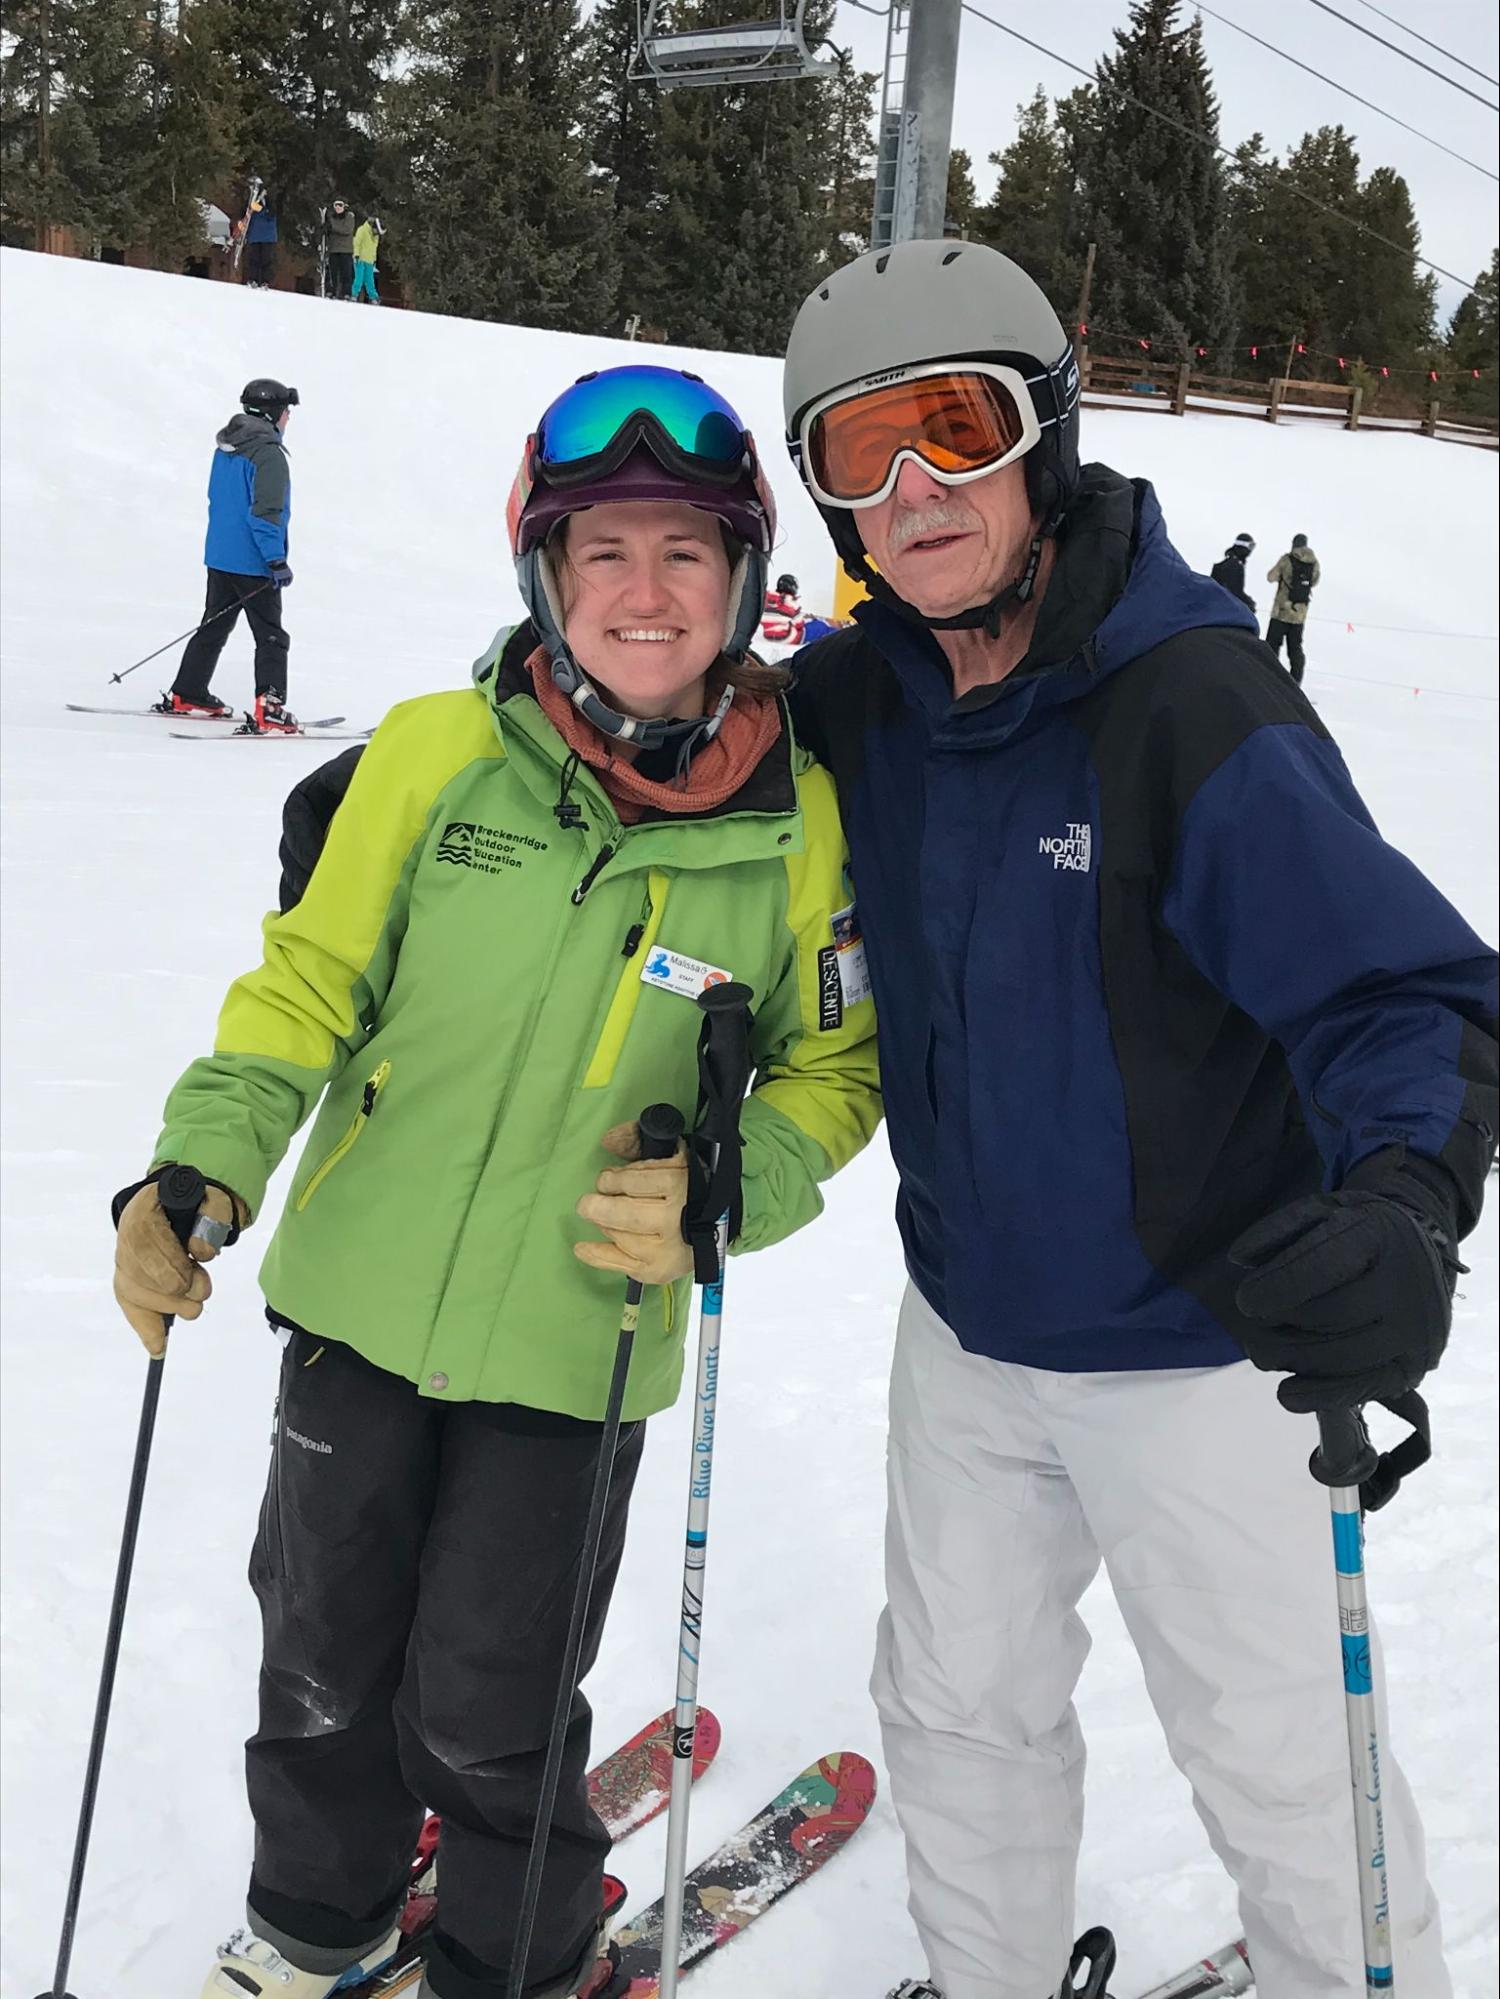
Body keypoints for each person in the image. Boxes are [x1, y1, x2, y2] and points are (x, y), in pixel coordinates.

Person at [780, 240, 1497, 1999]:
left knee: (1274, 1751)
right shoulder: (860, 698)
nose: (910, 488)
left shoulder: (1189, 707)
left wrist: (1406, 1199)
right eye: (857, 451)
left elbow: (1405, 993)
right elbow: (670, 757)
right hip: (968, 1325)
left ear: (1047, 437)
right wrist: (458, 767)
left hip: (1202, 1336)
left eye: (952, 426)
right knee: (957, 1708)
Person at [111, 362, 880, 1999]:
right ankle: (322, 1918)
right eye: (602, 549)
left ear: (745, 576)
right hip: (356, 1295)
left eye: (687, 549)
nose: (645, 590)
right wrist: (204, 1163)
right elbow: (305, 989)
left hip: (575, 1339)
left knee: (486, 1695)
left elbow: (836, 1070)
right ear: (543, 567)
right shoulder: (436, 754)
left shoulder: (796, 826)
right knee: (320, 1659)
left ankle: (520, 1956)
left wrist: (736, 1184)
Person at [163, 378, 300, 732]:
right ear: (273, 414)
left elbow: (221, 502)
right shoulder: (267, 455)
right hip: (253, 561)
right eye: (286, 412)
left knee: (214, 625)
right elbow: (264, 514)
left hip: (220, 556)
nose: (287, 419)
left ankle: (189, 691)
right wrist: (275, 560)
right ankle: (270, 707)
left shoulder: (227, 446)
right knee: (271, 636)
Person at [1266, 533, 1321, 683]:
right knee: (1295, 648)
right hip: (1299, 614)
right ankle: (1295, 682)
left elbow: (1271, 577)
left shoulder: (1286, 559)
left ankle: (1269, 678)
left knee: (1272, 646)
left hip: (1281, 611)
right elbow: (1315, 582)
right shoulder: (1314, 563)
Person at [1209, 529, 1256, 612]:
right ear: (1243, 546)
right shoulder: (1234, 565)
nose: (1250, 551)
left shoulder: (1230, 561)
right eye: (1250, 546)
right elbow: (1233, 592)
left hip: (1217, 607)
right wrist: (1248, 604)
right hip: (1223, 610)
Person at [244, 191, 279, 289]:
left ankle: (263, 281)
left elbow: (272, 212)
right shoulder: (252, 199)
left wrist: (259, 209)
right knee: (257, 259)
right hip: (258, 235)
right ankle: (255, 280)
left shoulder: (269, 201)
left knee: (264, 260)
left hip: (264, 236)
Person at [325, 197, 356, 300]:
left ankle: (346, 293)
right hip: (333, 248)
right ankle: (331, 291)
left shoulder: (349, 217)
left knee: (346, 273)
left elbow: (346, 230)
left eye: (340, 205)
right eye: (336, 205)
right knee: (332, 272)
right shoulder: (331, 217)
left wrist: (332, 227)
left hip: (345, 250)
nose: (338, 207)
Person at [352, 214, 383, 303]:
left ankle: (373, 297)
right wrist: (356, 254)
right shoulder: (362, 230)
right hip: (360, 259)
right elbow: (357, 242)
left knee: (370, 280)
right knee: (359, 278)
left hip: (369, 260)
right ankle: (354, 294)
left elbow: (374, 248)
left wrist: (374, 259)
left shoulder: (375, 236)